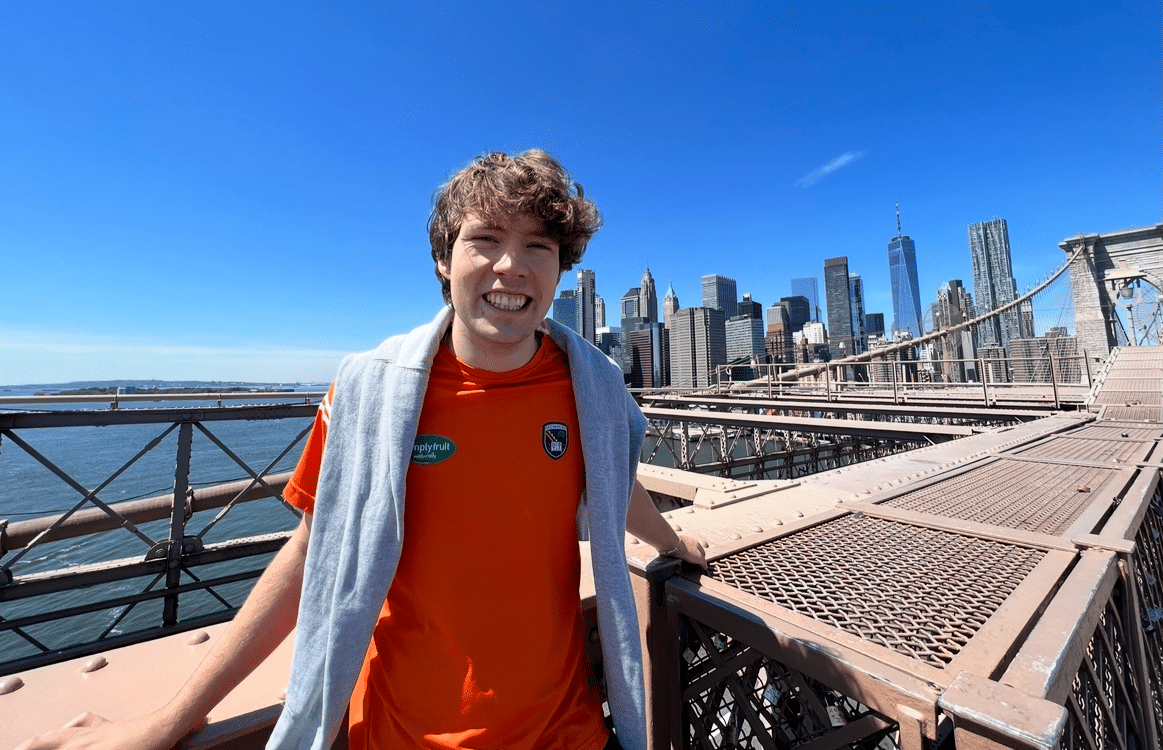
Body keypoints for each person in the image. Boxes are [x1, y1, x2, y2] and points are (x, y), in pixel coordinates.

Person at [17, 150, 706, 750]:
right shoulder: (370, 389)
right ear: (444, 257)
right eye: (486, 239)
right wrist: (167, 721)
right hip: (400, 734)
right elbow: (312, 554)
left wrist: (674, 544)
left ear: (560, 271)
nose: (511, 266)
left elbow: (615, 484)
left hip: (569, 733)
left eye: (538, 248)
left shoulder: (593, 385)